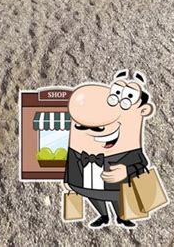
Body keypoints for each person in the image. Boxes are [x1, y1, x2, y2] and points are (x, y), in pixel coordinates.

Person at [64, 70, 152, 228]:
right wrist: (67, 180)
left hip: (116, 185)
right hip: (88, 181)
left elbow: (141, 163)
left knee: (117, 197)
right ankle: (103, 215)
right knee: (94, 196)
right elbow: (71, 160)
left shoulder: (128, 149)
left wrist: (126, 171)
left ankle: (122, 216)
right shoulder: (78, 146)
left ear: (143, 110)